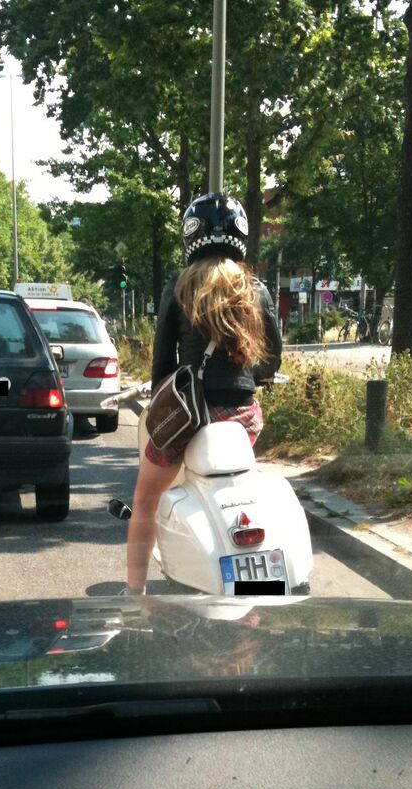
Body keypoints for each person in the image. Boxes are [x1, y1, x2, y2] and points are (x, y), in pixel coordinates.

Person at [123, 192, 282, 595]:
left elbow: (162, 364)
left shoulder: (178, 287)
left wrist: (163, 398)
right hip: (242, 418)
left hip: (190, 419)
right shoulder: (256, 289)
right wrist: (250, 376)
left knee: (144, 500)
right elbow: (272, 359)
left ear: (190, 236)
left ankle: (135, 594)